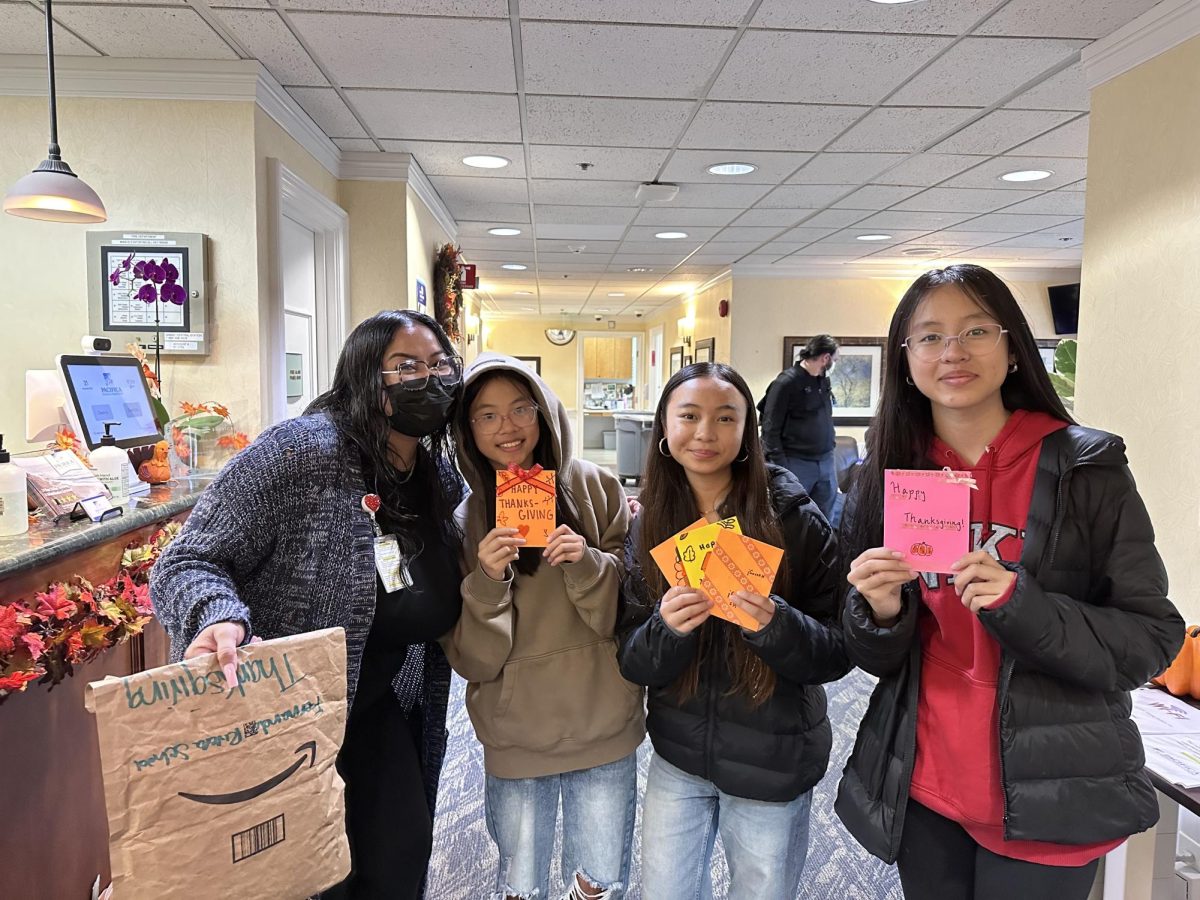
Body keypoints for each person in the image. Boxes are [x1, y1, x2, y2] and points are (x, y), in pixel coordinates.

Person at [835, 264, 1183, 900]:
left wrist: (1020, 604)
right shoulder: (887, 475)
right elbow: (874, 658)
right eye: (930, 337)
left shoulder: (1086, 469)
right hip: (927, 784)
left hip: (1052, 789)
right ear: (905, 359)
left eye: (975, 330)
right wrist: (879, 614)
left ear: (1013, 345)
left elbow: (1150, 640)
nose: (954, 352)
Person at [151, 310, 467, 899]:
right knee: (299, 877)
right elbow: (186, 560)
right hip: (282, 713)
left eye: (439, 365)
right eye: (406, 367)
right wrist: (217, 614)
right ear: (365, 378)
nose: (429, 379)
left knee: (399, 858)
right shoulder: (302, 454)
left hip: (370, 704)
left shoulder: (435, 478)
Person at [618, 361, 849, 899]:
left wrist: (776, 625)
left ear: (748, 432)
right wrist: (666, 631)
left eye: (726, 418)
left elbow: (839, 650)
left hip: (773, 762)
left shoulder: (792, 517)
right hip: (678, 756)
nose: (705, 434)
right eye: (689, 416)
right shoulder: (650, 519)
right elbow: (630, 657)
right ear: (664, 430)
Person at [442, 353, 642, 900]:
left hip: (603, 720)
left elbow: (626, 613)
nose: (507, 427)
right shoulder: (462, 522)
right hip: (517, 730)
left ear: (545, 413)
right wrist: (486, 578)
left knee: (599, 884)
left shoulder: (597, 489)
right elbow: (473, 659)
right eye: (486, 415)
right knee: (521, 886)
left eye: (520, 409)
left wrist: (586, 562)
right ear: (467, 428)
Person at [759, 333, 840, 520]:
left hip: (826, 461)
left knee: (825, 516)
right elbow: (770, 428)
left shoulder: (822, 381)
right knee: (793, 518)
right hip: (796, 462)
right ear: (825, 358)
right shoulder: (786, 383)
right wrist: (781, 467)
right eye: (834, 359)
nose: (835, 363)